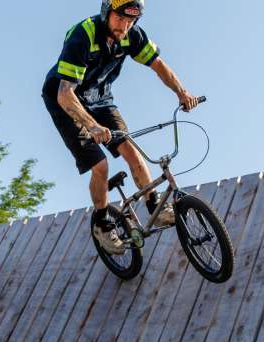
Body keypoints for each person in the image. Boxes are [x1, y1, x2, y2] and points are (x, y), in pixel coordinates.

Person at [42, 0, 201, 255]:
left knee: (132, 151)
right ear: (107, 13)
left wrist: (182, 93)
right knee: (100, 166)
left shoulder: (132, 35)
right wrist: (92, 127)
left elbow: (158, 65)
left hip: (100, 99)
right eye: (120, 19)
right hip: (66, 102)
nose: (124, 26)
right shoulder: (84, 35)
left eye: (131, 21)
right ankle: (103, 224)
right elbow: (64, 94)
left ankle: (154, 206)